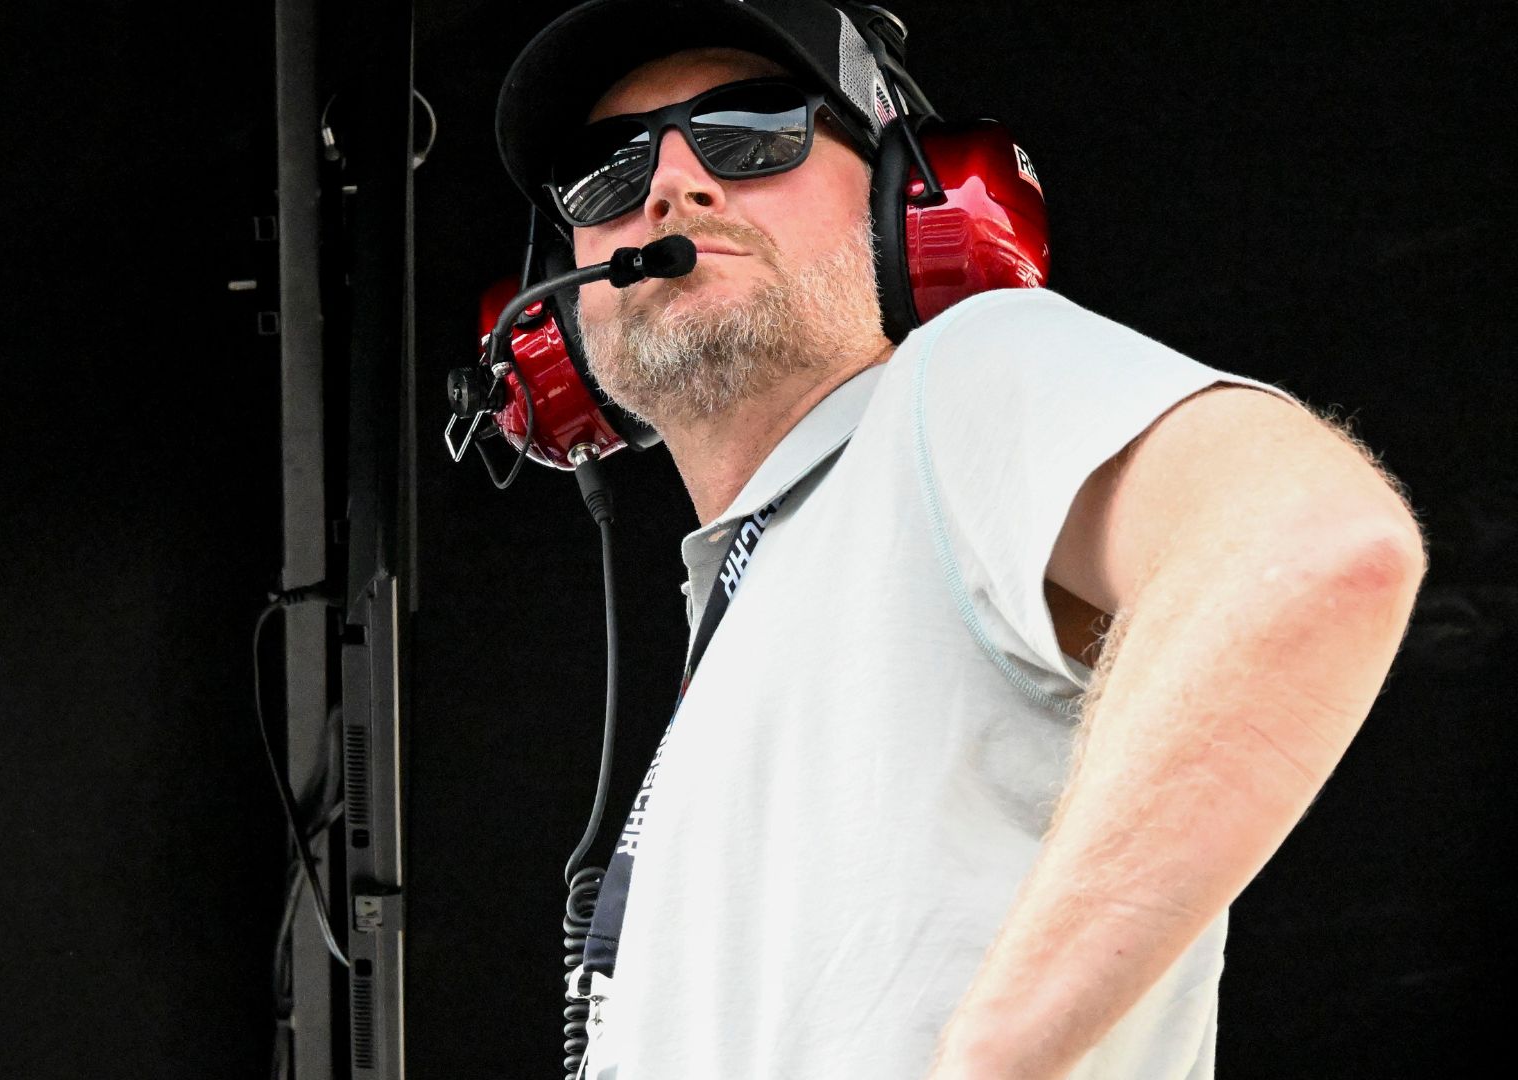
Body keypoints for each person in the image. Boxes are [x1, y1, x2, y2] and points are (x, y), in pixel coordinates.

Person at [493, 2, 1428, 1078]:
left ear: (913, 200)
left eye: (752, 133)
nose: (671, 187)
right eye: (606, 173)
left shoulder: (960, 381)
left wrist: (988, 1059)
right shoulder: (749, 605)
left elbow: (1312, 548)